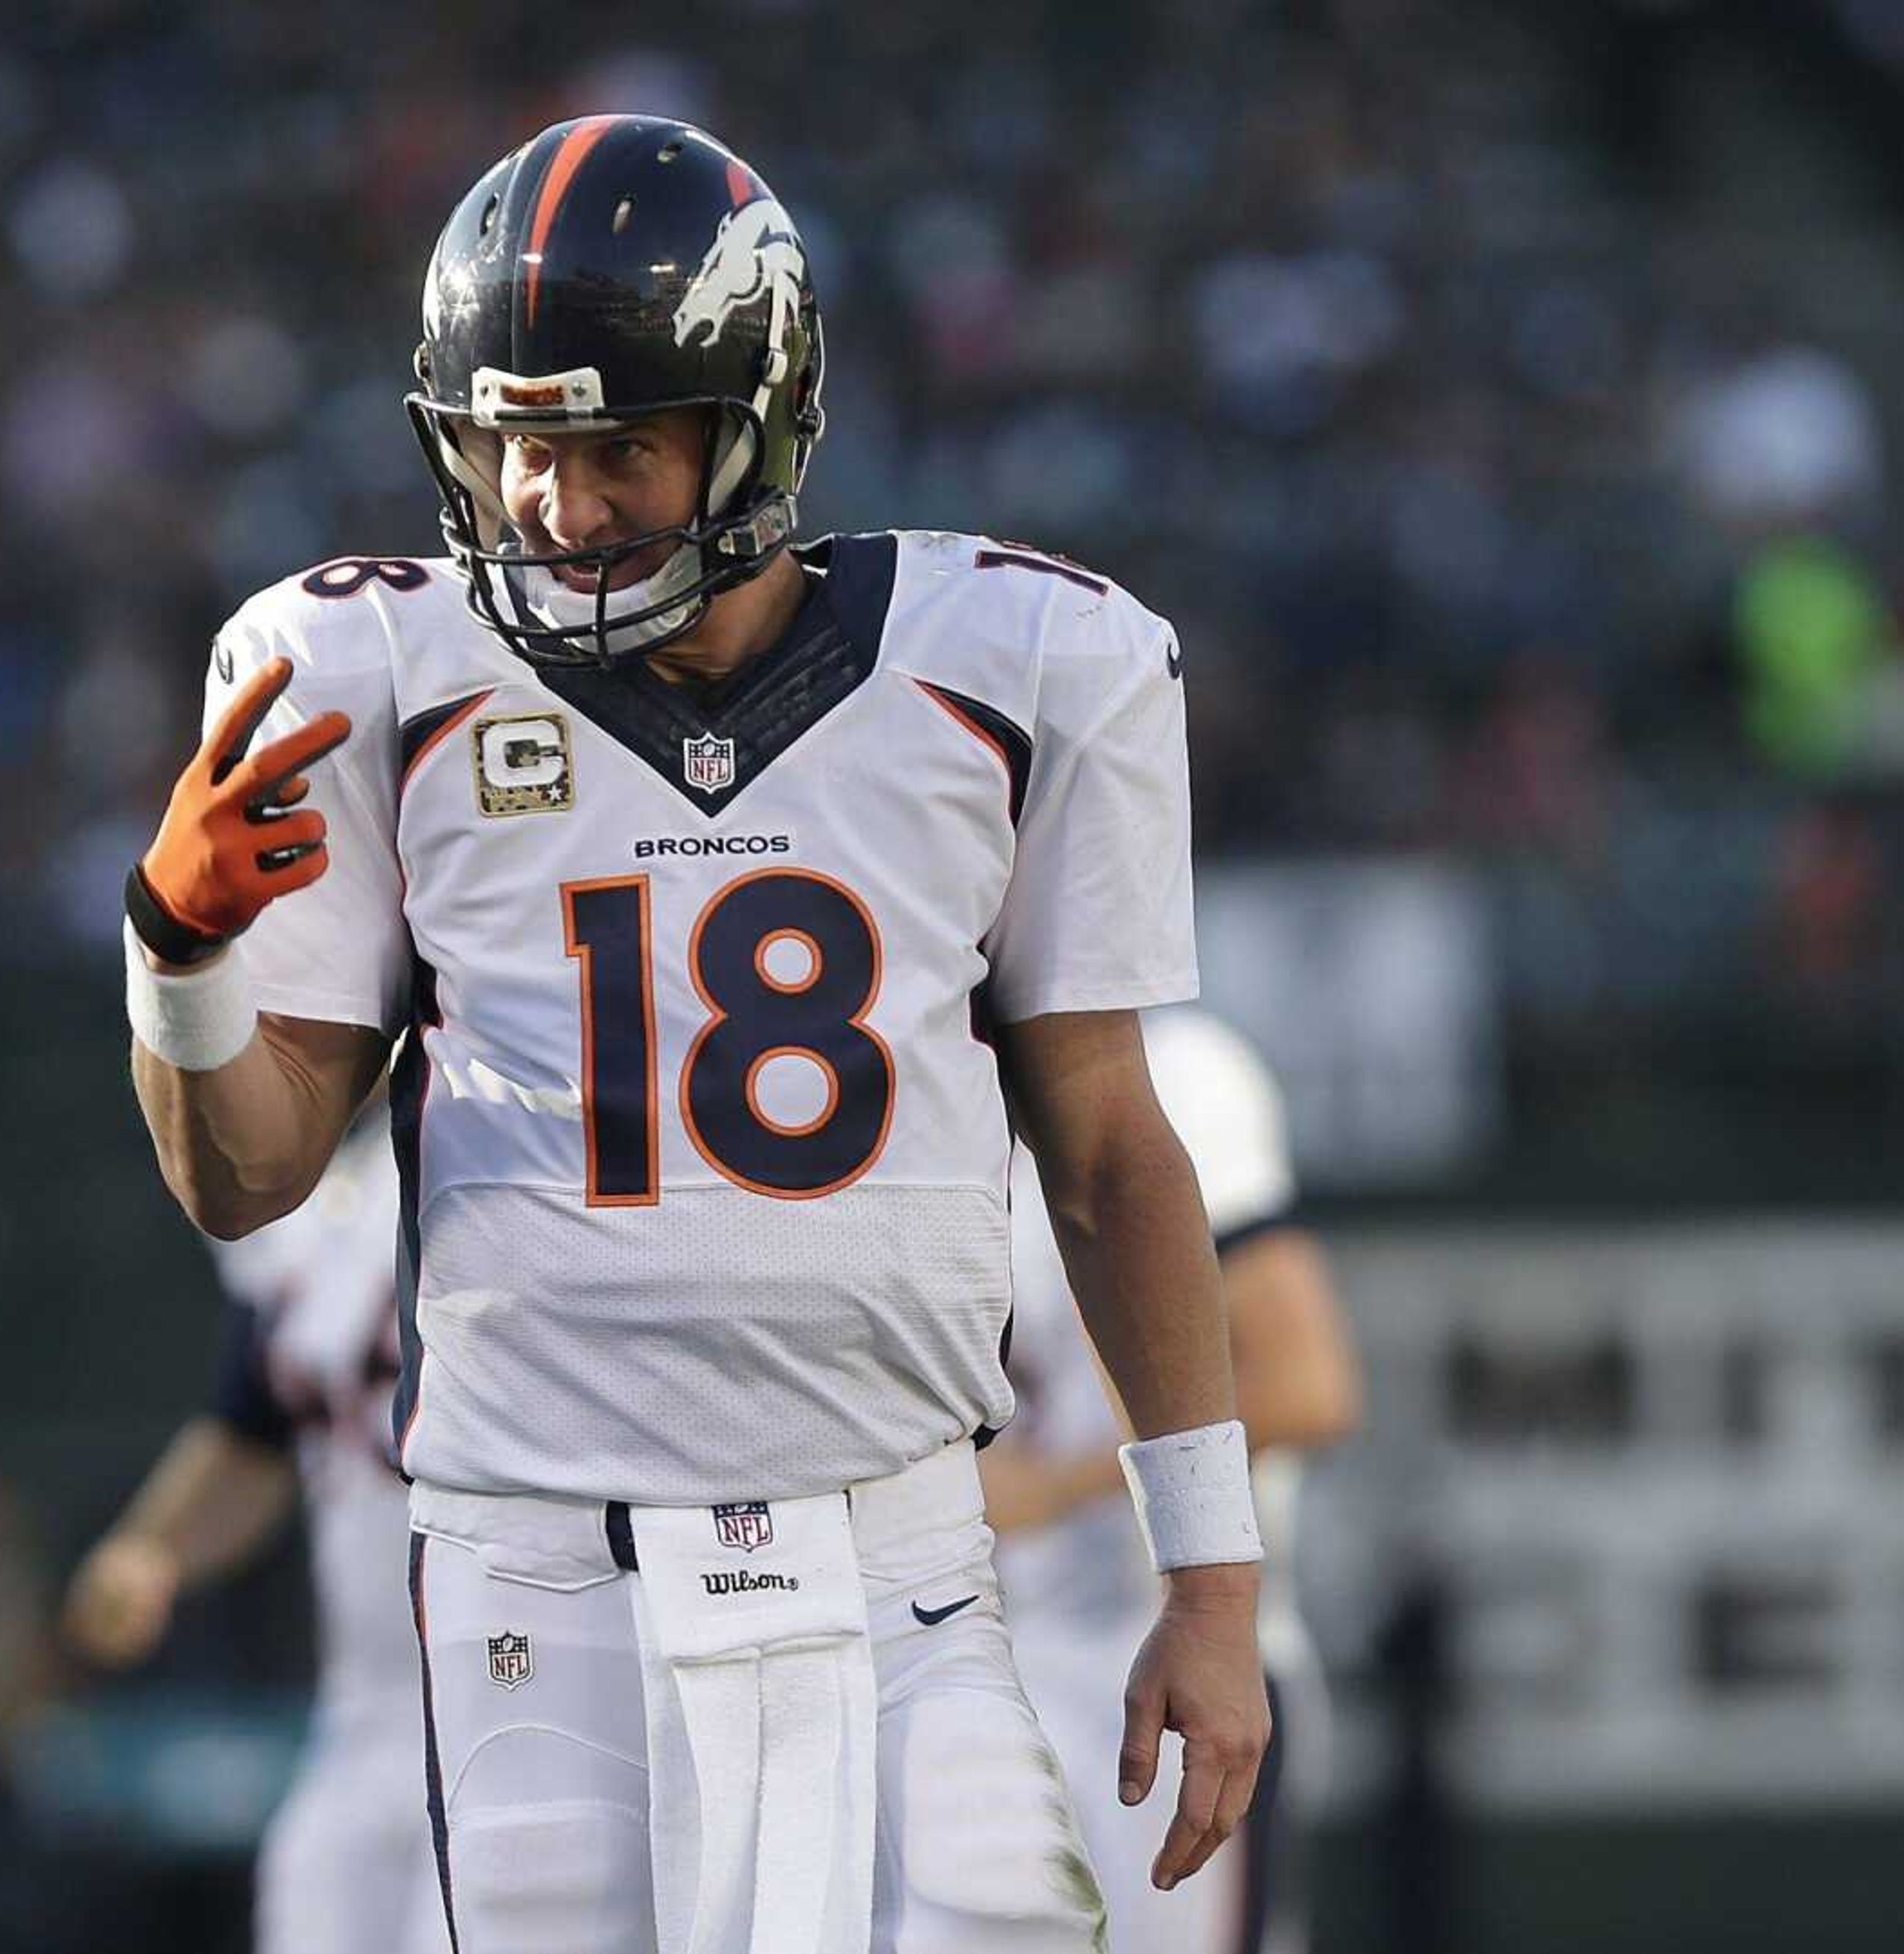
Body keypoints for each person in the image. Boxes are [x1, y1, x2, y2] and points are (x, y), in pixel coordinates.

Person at [121, 114, 1269, 1953]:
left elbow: (1112, 1146)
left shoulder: (1028, 664)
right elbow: (246, 1179)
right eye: (514, 447)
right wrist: (173, 952)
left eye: (614, 449)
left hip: (901, 1547)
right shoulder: (363, 668)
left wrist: (1209, 1579)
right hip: (531, 1560)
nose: (556, 507)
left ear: (758, 422)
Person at [988, 1009, 1362, 1954]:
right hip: (968, 1654)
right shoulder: (896, 1071)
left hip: (1158, 1649)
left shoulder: (1179, 1069)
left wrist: (1049, 1487)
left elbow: (1304, 1381)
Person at [65, 1115, 449, 1954]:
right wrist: (153, 1548)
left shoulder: (510, 1137)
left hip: (528, 1682)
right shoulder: (307, 1205)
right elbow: (256, 1432)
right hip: (366, 1717)